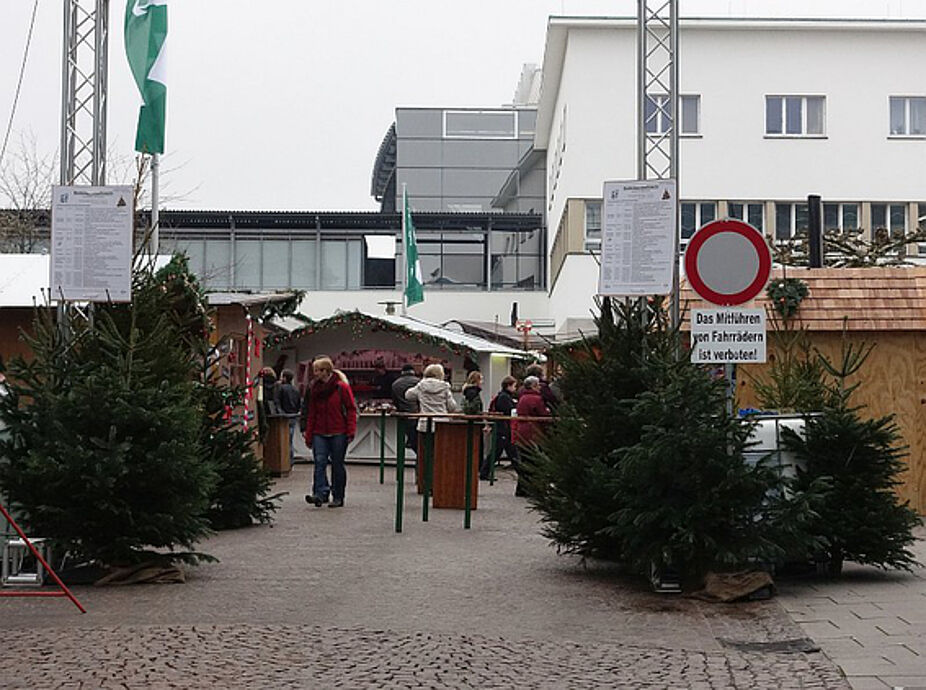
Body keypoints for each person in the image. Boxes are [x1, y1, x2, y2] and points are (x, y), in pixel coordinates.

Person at [304, 356, 357, 508]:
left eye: (318, 370)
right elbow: (311, 413)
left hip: (338, 431)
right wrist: (309, 434)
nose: (315, 373)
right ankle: (320, 493)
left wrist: (350, 430)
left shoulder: (341, 388)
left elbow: (351, 409)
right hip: (319, 431)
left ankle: (338, 495)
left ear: (326, 371)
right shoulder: (314, 389)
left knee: (337, 464)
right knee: (319, 462)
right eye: (315, 370)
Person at [405, 364, 460, 479]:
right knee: (441, 453)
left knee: (424, 453)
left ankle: (423, 479)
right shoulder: (445, 387)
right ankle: (439, 479)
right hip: (441, 424)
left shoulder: (421, 386)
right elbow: (452, 407)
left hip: (425, 424)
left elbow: (408, 395)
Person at [512, 375, 551, 497]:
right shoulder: (536, 399)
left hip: (522, 431)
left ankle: (521, 488)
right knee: (534, 461)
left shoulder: (522, 397)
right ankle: (532, 488)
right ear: (534, 386)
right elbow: (543, 415)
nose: (539, 387)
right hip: (533, 432)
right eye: (538, 385)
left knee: (524, 460)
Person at [482, 375, 518, 480]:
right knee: (500, 452)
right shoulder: (504, 397)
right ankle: (484, 472)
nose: (515, 388)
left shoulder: (502, 396)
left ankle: (485, 472)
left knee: (500, 451)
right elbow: (509, 411)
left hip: (502, 427)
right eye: (514, 386)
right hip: (503, 428)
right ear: (508, 386)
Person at [274, 368, 302, 466]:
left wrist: (280, 412)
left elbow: (277, 402)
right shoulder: (296, 389)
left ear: (284, 378)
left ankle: (285, 461)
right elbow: (299, 404)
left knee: (283, 440)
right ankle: (290, 460)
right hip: (293, 416)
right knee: (290, 439)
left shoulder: (280, 388)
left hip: (284, 416)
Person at [391, 363, 420, 452]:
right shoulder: (419, 382)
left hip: (404, 415)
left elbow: (395, 401)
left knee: (410, 437)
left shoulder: (395, 384)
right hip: (418, 414)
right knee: (419, 441)